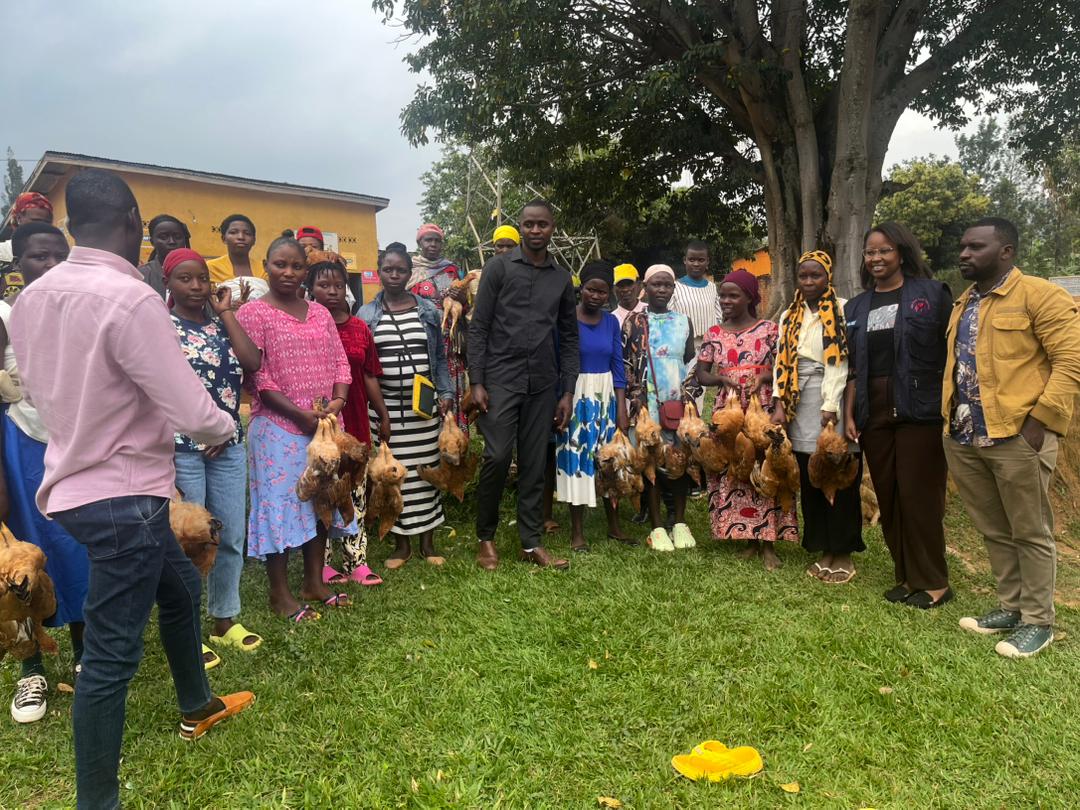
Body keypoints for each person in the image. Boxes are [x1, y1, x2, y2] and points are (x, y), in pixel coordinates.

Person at [9, 169, 253, 809]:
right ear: (133, 223)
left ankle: (197, 704)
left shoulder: (34, 297)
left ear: (71, 226)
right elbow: (188, 405)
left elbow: (39, 386)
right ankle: (98, 802)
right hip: (125, 498)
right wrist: (225, 425)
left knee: (180, 591)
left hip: (76, 486)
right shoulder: (132, 298)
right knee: (111, 656)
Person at [945, 217, 1080, 658]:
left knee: (1030, 530)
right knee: (994, 529)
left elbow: (1071, 361)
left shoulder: (1039, 295)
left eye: (975, 247)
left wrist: (1039, 423)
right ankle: (1011, 607)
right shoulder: (964, 302)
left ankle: (1038, 621)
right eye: (963, 246)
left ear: (1005, 252)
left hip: (1017, 436)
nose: (964, 254)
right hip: (965, 436)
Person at [236, 236, 356, 620]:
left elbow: (340, 362)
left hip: (323, 427)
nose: (288, 272)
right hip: (277, 427)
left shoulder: (320, 312)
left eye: (296, 266)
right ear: (266, 266)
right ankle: (279, 593)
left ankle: (314, 582)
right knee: (281, 507)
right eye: (280, 264)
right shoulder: (253, 313)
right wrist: (298, 414)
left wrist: (337, 401)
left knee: (321, 500)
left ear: (306, 269)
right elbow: (257, 375)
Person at [0, 223, 88, 725]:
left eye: (59, 255)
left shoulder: (83, 311)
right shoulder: (7, 317)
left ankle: (84, 653)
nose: (51, 265)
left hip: (76, 444)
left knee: (78, 547)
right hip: (21, 444)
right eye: (39, 256)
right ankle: (29, 666)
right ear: (19, 265)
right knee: (22, 558)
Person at [844, 221, 953, 609]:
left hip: (918, 409)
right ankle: (906, 576)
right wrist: (849, 412)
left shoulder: (932, 294)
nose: (876, 258)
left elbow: (951, 353)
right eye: (870, 252)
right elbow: (854, 367)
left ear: (902, 253)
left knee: (918, 495)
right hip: (872, 412)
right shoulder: (857, 307)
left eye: (884, 250)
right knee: (889, 494)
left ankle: (934, 581)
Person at [164, 248, 263, 668]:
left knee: (230, 533)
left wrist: (225, 313)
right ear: (168, 283)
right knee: (189, 541)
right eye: (185, 278)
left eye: (202, 278)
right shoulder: (161, 328)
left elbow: (252, 362)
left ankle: (225, 619)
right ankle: (186, 631)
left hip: (228, 444)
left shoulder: (223, 324)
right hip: (183, 446)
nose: (196, 286)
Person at [468, 199, 579, 570]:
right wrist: (476, 381)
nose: (535, 230)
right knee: (497, 456)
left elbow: (569, 337)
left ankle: (531, 543)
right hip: (500, 379)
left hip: (543, 384)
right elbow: (479, 327)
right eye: (529, 224)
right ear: (520, 227)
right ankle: (486, 537)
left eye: (542, 224)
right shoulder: (498, 268)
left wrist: (567, 392)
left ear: (552, 228)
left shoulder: (561, 279)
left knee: (534, 464)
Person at [771, 251, 863, 583]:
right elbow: (781, 360)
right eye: (803, 276)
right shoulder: (789, 315)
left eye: (816, 276)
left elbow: (843, 362)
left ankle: (843, 551)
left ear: (828, 277)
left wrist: (831, 405)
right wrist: (779, 403)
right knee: (811, 473)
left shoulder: (843, 309)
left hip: (832, 395)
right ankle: (823, 547)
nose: (809, 282)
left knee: (838, 471)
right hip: (798, 399)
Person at [359, 246, 453, 567]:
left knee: (426, 472)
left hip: (422, 409)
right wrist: (378, 411)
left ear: (410, 273)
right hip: (384, 410)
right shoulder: (366, 315)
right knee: (392, 474)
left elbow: (439, 358)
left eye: (401, 269)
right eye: (388, 269)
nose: (394, 275)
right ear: (379, 272)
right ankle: (401, 544)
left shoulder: (428, 311)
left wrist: (446, 393)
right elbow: (366, 367)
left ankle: (428, 543)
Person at [697, 269, 797, 569]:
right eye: (723, 295)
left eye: (733, 295)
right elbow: (701, 374)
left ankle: (769, 544)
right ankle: (748, 538)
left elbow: (784, 370)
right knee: (736, 469)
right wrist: (720, 379)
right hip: (728, 411)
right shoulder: (714, 333)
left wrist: (764, 377)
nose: (726, 300)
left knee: (765, 469)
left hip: (760, 408)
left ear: (750, 298)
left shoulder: (769, 330)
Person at [306, 249, 391, 585]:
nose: (332, 291)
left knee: (355, 494)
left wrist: (382, 414)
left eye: (338, 285)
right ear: (311, 288)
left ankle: (357, 561)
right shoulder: (305, 326)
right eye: (323, 285)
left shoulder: (359, 328)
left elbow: (369, 374)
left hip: (355, 423)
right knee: (324, 494)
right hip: (320, 428)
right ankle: (323, 564)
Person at [555, 261, 632, 552]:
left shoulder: (611, 322)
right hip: (575, 394)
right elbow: (558, 362)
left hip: (605, 397)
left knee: (609, 460)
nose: (596, 296)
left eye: (602, 291)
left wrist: (621, 408)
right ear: (581, 289)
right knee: (577, 457)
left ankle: (614, 526)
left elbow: (617, 366)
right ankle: (577, 532)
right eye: (591, 289)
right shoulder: (566, 320)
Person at [623, 264, 699, 552]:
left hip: (677, 403)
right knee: (651, 462)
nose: (662, 290)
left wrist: (688, 396)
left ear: (673, 288)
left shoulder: (683, 322)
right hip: (646, 405)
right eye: (656, 284)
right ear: (645, 286)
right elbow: (626, 365)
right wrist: (635, 398)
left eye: (667, 285)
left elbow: (690, 362)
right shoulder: (634, 322)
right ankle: (656, 526)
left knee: (679, 461)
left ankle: (679, 522)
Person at [408, 223, 469, 428]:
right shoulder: (410, 270)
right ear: (420, 243)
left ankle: (453, 437)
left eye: (437, 240)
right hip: (421, 341)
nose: (433, 244)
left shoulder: (451, 270)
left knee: (451, 389)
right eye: (428, 240)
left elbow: (465, 306)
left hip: (449, 344)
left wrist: (462, 298)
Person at [0, 192, 55, 293]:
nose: (41, 227)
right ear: (19, 219)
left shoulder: (56, 256)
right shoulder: (2, 253)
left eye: (47, 223)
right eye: (35, 221)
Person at [670, 240, 718, 343]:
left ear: (707, 261)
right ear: (685, 260)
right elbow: (669, 320)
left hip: (710, 345)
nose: (696, 264)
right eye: (691, 260)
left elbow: (719, 318)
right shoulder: (674, 288)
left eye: (701, 260)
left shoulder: (712, 288)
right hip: (683, 345)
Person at [139, 214, 191, 299]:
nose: (172, 241)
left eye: (177, 237)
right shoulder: (142, 275)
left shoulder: (196, 272)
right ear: (152, 242)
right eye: (164, 237)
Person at [207, 213, 266, 284]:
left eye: (247, 233)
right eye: (233, 232)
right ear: (224, 239)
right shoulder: (211, 268)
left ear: (254, 240)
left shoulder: (264, 270)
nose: (241, 237)